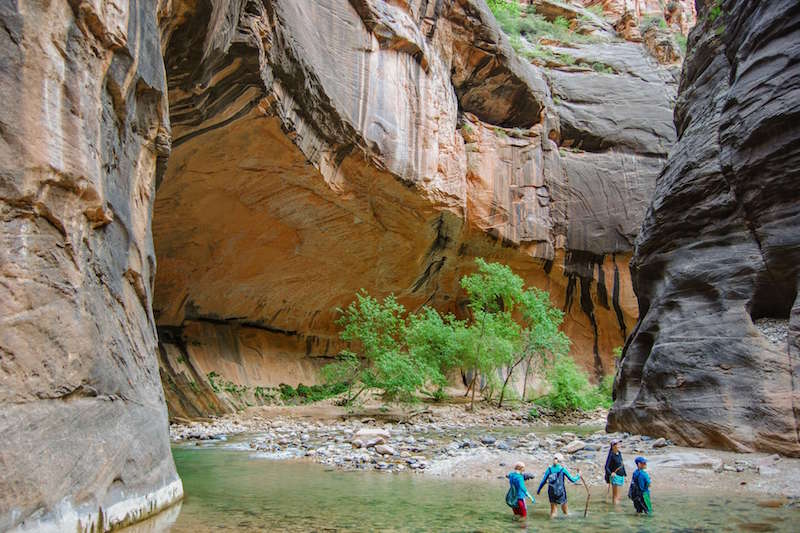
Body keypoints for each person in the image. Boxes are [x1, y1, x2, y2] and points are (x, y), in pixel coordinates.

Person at [536, 453, 581, 518]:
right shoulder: (563, 470)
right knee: (566, 512)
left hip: (551, 492)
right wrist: (578, 475)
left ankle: (552, 525)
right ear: (561, 461)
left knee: (553, 512)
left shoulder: (549, 469)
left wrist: (539, 490)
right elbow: (573, 480)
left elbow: (543, 481)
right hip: (561, 492)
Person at [604, 439, 626, 504]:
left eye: (619, 444)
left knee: (619, 496)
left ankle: (617, 508)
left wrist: (624, 474)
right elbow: (606, 467)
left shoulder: (619, 453)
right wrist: (611, 473)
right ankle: (616, 509)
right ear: (613, 446)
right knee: (615, 496)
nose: (619, 445)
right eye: (617, 444)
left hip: (621, 475)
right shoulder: (611, 454)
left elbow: (621, 463)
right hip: (615, 476)